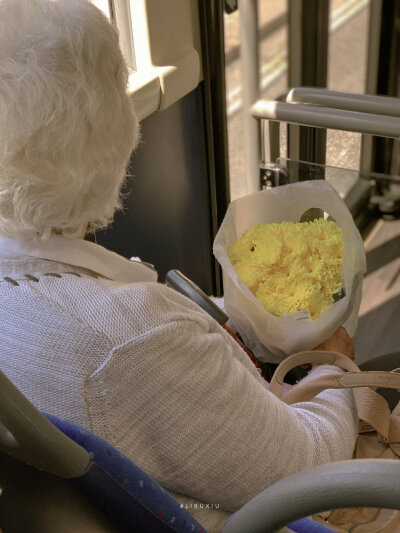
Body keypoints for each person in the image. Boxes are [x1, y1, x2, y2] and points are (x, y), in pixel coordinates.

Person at [0, 1, 359, 531]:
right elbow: (311, 473)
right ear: (114, 132)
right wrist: (335, 367)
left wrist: (225, 323)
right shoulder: (131, 343)